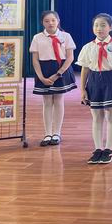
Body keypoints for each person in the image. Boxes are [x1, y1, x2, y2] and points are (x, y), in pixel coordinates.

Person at [76, 13, 112, 164]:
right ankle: (98, 149)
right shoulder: (88, 47)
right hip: (94, 82)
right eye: (96, 25)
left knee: (111, 116)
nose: (99, 28)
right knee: (96, 117)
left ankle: (109, 149)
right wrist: (82, 89)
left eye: (103, 25)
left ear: (110, 27)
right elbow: (85, 69)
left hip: (111, 81)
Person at [29, 10, 77, 146]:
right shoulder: (37, 37)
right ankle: (47, 134)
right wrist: (41, 77)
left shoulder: (66, 36)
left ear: (58, 21)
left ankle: (57, 133)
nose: (50, 23)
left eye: (53, 20)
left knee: (58, 100)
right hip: (44, 70)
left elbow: (70, 58)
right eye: (47, 21)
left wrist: (58, 74)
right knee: (47, 102)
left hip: (61, 69)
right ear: (42, 23)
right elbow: (35, 60)